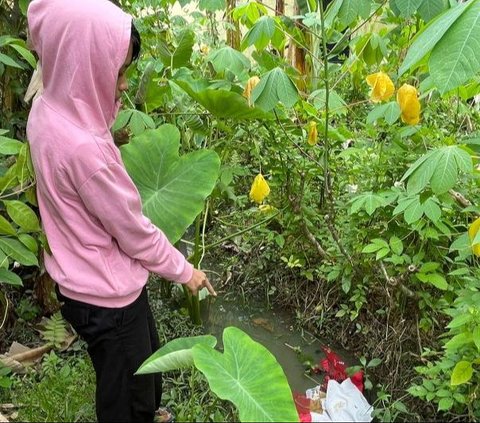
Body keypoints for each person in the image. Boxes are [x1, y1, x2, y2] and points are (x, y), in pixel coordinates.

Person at [26, 0, 216, 421]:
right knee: (126, 395)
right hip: (107, 297)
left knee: (142, 363)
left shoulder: (45, 110)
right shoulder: (87, 153)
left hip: (80, 280)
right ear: (85, 62)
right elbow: (134, 232)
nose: (125, 85)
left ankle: (148, 410)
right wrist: (187, 272)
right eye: (119, 72)